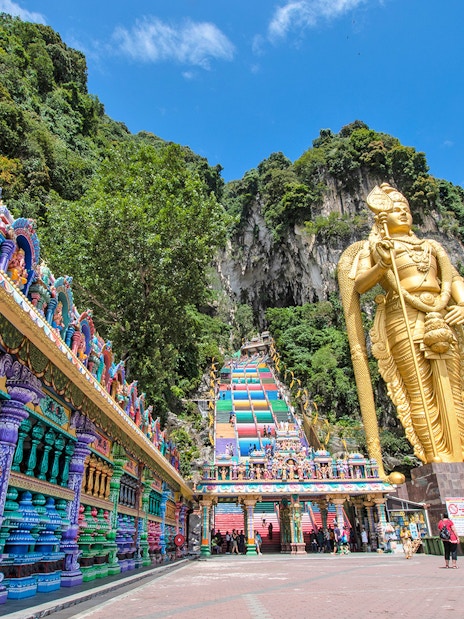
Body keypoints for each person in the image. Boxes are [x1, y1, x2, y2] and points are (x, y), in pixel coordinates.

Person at [340, 183, 464, 467]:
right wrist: (382, 264)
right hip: (403, 316)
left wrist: (461, 304)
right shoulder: (377, 246)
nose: (403, 213)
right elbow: (359, 285)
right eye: (396, 209)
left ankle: (459, 449)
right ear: (381, 216)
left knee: (455, 387)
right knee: (418, 388)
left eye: (406, 209)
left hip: (443, 313)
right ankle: (434, 454)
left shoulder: (432, 247)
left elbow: (454, 278)